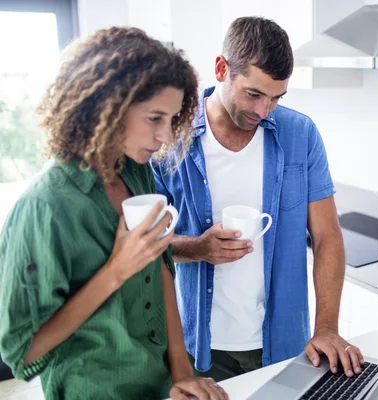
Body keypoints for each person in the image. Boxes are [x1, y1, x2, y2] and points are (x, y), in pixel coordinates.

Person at [0, 27, 228, 400]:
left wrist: (182, 372)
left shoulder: (136, 172)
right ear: (106, 107)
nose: (166, 137)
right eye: (154, 118)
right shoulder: (45, 207)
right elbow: (22, 352)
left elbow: (162, 269)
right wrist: (115, 271)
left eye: (171, 119)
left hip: (158, 386)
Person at [152, 16, 364, 382]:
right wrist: (197, 248)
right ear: (222, 69)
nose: (264, 111)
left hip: (284, 345)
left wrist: (327, 327)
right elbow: (144, 244)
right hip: (198, 349)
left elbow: (328, 237)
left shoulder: (301, 134)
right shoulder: (170, 138)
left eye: (276, 97)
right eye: (253, 94)